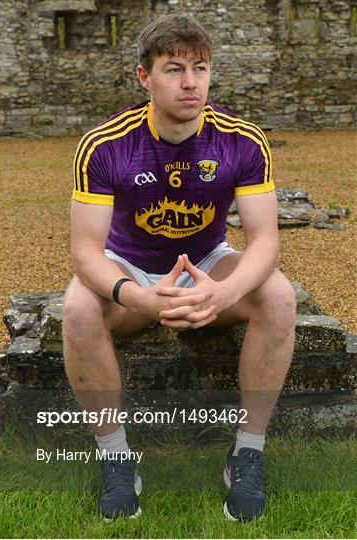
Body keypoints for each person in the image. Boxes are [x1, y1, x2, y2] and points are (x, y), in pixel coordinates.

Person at [63, 13, 296, 522]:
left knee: (278, 296)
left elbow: (264, 243)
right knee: (78, 307)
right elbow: (85, 252)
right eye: (174, 69)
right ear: (144, 77)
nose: (191, 82)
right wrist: (138, 296)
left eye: (201, 68)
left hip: (207, 262)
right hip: (130, 263)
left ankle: (248, 452)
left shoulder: (241, 139)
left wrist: (225, 292)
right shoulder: (105, 144)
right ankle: (116, 457)